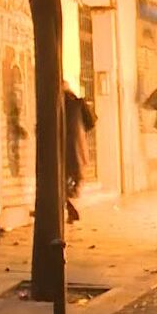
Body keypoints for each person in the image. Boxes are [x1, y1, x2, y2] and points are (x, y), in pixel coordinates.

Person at [63, 81, 97, 223]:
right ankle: (70, 207)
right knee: (75, 178)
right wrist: (81, 131)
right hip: (77, 146)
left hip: (62, 148)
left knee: (63, 180)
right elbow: (91, 122)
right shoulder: (78, 103)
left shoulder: (57, 104)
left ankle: (70, 206)